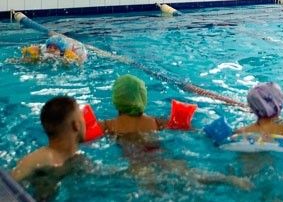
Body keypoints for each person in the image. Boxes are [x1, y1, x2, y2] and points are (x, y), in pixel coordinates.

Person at [101, 75, 251, 191]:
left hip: (135, 159)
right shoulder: (156, 122)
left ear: (116, 99)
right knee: (189, 173)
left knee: (150, 186)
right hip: (159, 153)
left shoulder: (108, 125)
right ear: (143, 98)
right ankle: (229, 179)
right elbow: (190, 129)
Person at [11, 96, 88, 199]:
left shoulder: (77, 159)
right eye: (82, 116)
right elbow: (7, 186)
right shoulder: (39, 159)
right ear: (76, 125)